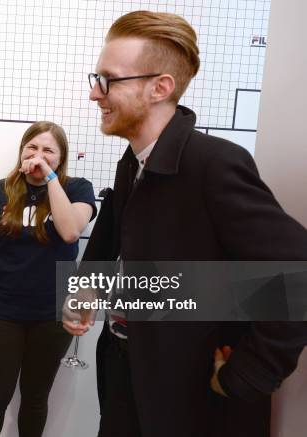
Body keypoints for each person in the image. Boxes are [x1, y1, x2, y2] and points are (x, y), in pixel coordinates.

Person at [63, 11, 307, 437]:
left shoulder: (214, 164)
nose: (94, 94)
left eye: (108, 80)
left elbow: (297, 277)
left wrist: (245, 376)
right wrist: (85, 287)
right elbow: (113, 236)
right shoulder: (131, 163)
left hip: (189, 404)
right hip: (127, 377)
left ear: (160, 87)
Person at [0, 121, 96, 437]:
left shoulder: (77, 189)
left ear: (60, 157)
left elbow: (69, 232)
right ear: (22, 151)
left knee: (36, 398)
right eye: (32, 147)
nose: (38, 155)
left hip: (54, 314)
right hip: (3, 312)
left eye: (48, 150)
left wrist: (51, 179)